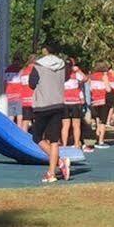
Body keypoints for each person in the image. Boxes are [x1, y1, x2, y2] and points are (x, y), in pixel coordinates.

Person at [29, 39, 69, 183]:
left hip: (42, 105)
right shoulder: (63, 65)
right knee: (54, 140)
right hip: (58, 103)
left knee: (37, 137)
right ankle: (52, 172)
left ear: (45, 50)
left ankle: (59, 162)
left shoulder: (38, 66)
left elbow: (31, 84)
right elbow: (66, 78)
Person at [61, 61, 86, 151]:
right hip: (75, 102)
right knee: (76, 125)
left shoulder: (61, 76)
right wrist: (78, 70)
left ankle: (64, 144)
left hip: (65, 102)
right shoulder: (75, 75)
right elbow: (85, 79)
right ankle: (76, 144)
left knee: (65, 125)